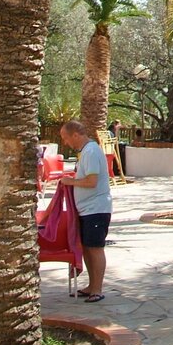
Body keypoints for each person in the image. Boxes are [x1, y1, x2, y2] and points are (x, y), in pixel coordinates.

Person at [59, 120, 112, 303]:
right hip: (86, 210)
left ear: (76, 134)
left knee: (95, 248)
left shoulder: (90, 151)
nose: (66, 143)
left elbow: (91, 182)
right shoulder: (85, 153)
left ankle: (97, 288)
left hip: (96, 209)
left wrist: (70, 182)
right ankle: (91, 285)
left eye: (66, 138)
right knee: (87, 248)